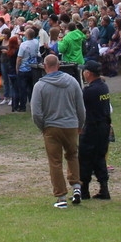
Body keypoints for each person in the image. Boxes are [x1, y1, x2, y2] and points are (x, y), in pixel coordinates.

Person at [30, 53, 86, 208]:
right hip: (70, 125)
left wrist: (43, 126)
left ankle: (61, 197)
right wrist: (80, 124)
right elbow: (80, 107)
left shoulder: (40, 86)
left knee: (55, 162)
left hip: (51, 126)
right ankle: (76, 187)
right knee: (72, 155)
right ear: (59, 65)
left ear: (44, 66)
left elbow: (36, 112)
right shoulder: (72, 82)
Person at [79, 60, 112, 200]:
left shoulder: (89, 91)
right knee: (99, 157)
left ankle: (84, 189)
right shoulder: (103, 87)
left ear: (88, 73)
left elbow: (80, 107)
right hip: (104, 126)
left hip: (92, 127)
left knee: (85, 158)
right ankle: (104, 188)